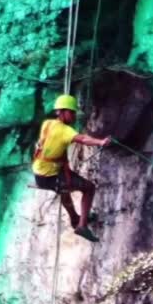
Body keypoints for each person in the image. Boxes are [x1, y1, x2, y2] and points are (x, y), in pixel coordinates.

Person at [32, 94, 111, 242]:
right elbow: (83, 139)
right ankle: (81, 226)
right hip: (50, 175)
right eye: (71, 112)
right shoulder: (64, 131)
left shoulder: (47, 124)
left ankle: (75, 218)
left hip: (40, 173)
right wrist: (101, 142)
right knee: (89, 188)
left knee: (64, 189)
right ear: (61, 112)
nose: (74, 116)